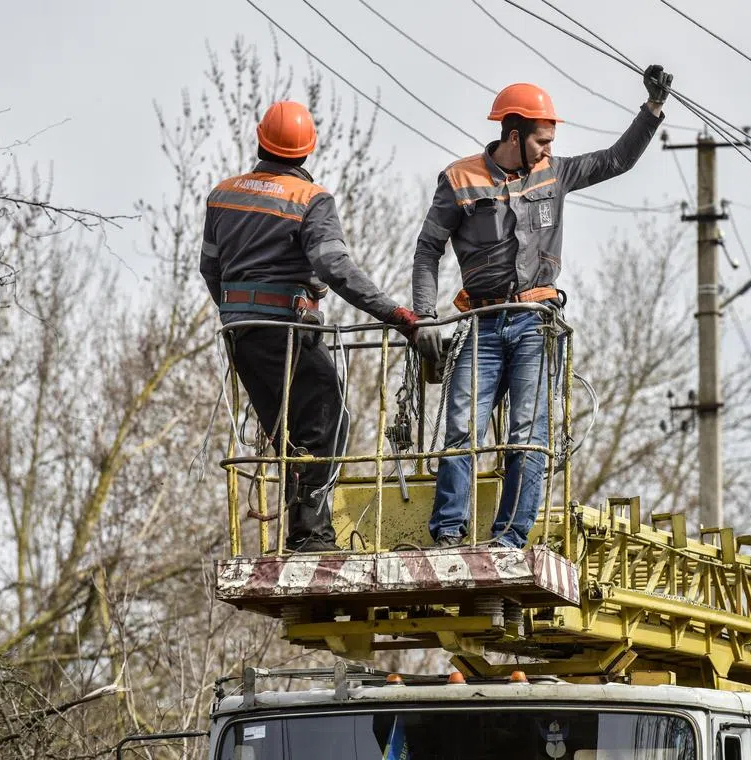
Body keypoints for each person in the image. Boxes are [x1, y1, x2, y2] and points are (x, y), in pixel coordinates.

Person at [413, 66, 673, 549]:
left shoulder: (555, 173)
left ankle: (509, 538)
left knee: (528, 433)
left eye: (551, 140)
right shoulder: (459, 179)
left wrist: (652, 110)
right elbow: (428, 251)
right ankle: (448, 532)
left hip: (536, 324)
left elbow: (617, 160)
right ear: (513, 135)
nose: (548, 149)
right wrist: (424, 317)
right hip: (482, 322)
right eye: (541, 140)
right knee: (460, 427)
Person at [200, 100, 418, 552]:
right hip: (288, 332)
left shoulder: (222, 195)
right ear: (308, 150)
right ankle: (310, 536)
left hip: (241, 336)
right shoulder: (310, 199)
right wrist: (396, 315)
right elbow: (334, 267)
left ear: (260, 139)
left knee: (290, 435)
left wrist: (237, 314)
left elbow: (210, 269)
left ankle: (304, 531)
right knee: (327, 421)